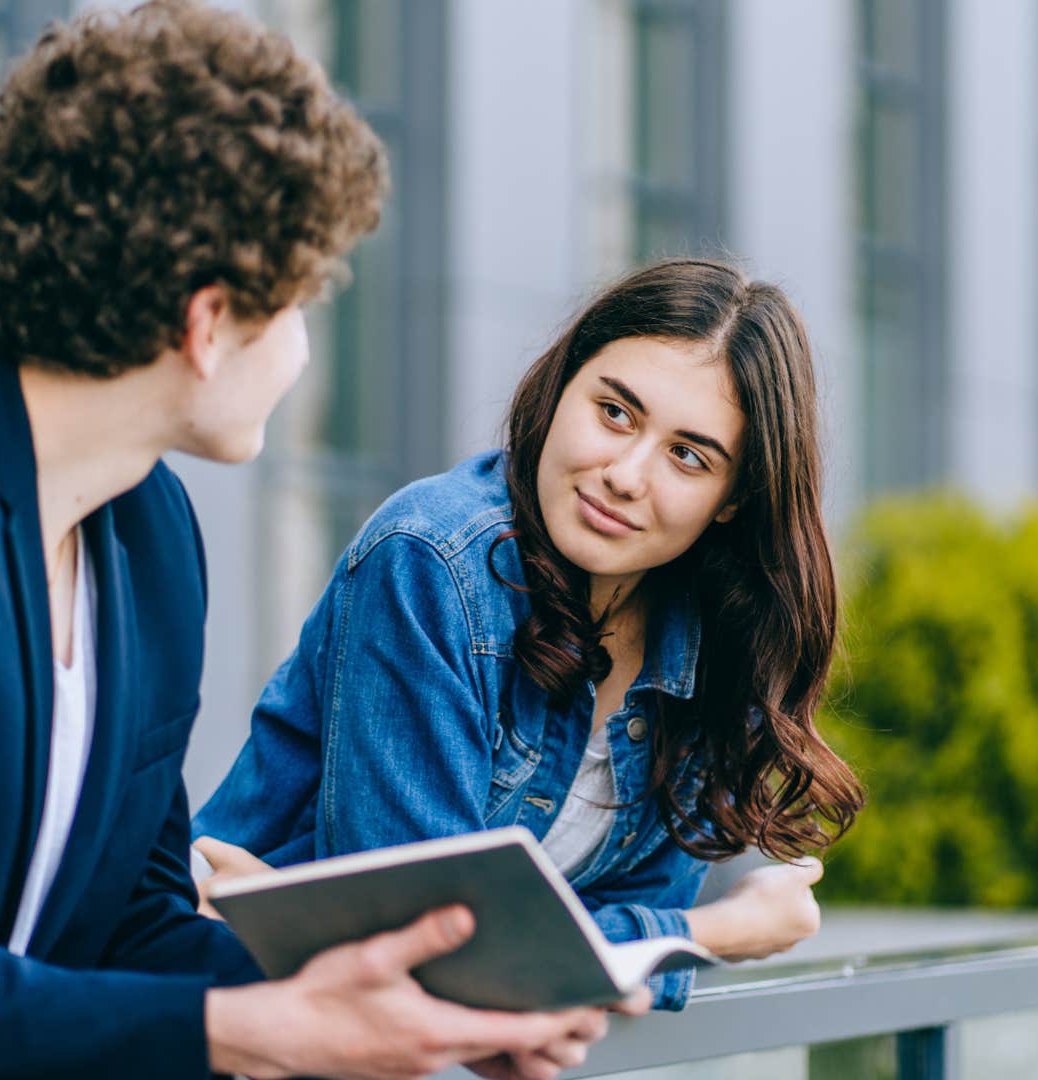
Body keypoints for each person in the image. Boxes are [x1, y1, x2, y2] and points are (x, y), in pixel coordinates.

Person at [0, 4, 612, 1078]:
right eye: (299, 305)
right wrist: (244, 1030)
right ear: (210, 322)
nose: (304, 348)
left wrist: (418, 1007)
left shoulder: (152, 535)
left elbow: (123, 929)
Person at [193, 258, 867, 1011]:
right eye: (615, 412)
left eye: (687, 455)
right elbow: (416, 942)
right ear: (562, 387)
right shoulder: (432, 560)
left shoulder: (713, 644)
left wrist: (582, 954)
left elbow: (590, 982)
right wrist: (719, 929)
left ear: (733, 499)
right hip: (235, 1020)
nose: (624, 475)